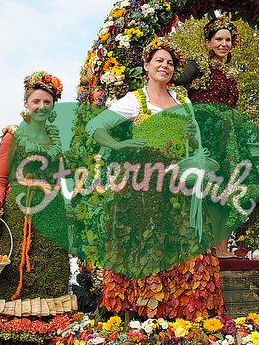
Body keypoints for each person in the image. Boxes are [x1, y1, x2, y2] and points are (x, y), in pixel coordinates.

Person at [87, 38, 223, 321]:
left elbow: (196, 145)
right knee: (149, 245)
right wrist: (118, 145)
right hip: (146, 187)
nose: (165, 66)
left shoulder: (183, 101)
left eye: (170, 63)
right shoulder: (135, 100)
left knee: (186, 247)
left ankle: (182, 317)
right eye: (159, 61)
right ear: (147, 65)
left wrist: (190, 137)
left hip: (181, 185)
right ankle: (146, 318)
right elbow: (95, 126)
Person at [0, 71, 71, 345]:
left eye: (47, 102)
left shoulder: (58, 141)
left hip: (52, 214)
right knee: (20, 278)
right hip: (20, 215)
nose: (41, 106)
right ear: (26, 103)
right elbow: (1, 179)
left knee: (51, 276)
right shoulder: (13, 135)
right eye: (36, 101)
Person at [171, 16, 248, 259]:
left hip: (228, 137)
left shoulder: (232, 73)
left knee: (228, 189)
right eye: (218, 39)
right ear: (208, 42)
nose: (224, 44)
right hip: (203, 135)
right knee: (204, 187)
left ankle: (222, 247)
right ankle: (201, 244)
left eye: (228, 40)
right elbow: (177, 79)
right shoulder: (198, 64)